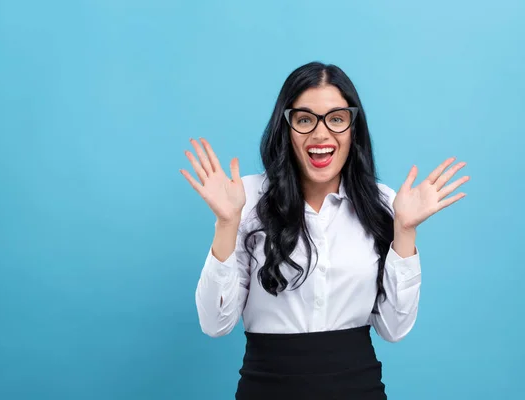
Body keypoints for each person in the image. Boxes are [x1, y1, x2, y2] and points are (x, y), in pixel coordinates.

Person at [180, 62, 469, 399]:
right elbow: (215, 324)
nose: (321, 134)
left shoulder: (385, 204)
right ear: (285, 128)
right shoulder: (244, 200)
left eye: (336, 119)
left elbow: (394, 329)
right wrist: (227, 224)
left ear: (352, 129)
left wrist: (404, 231)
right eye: (305, 120)